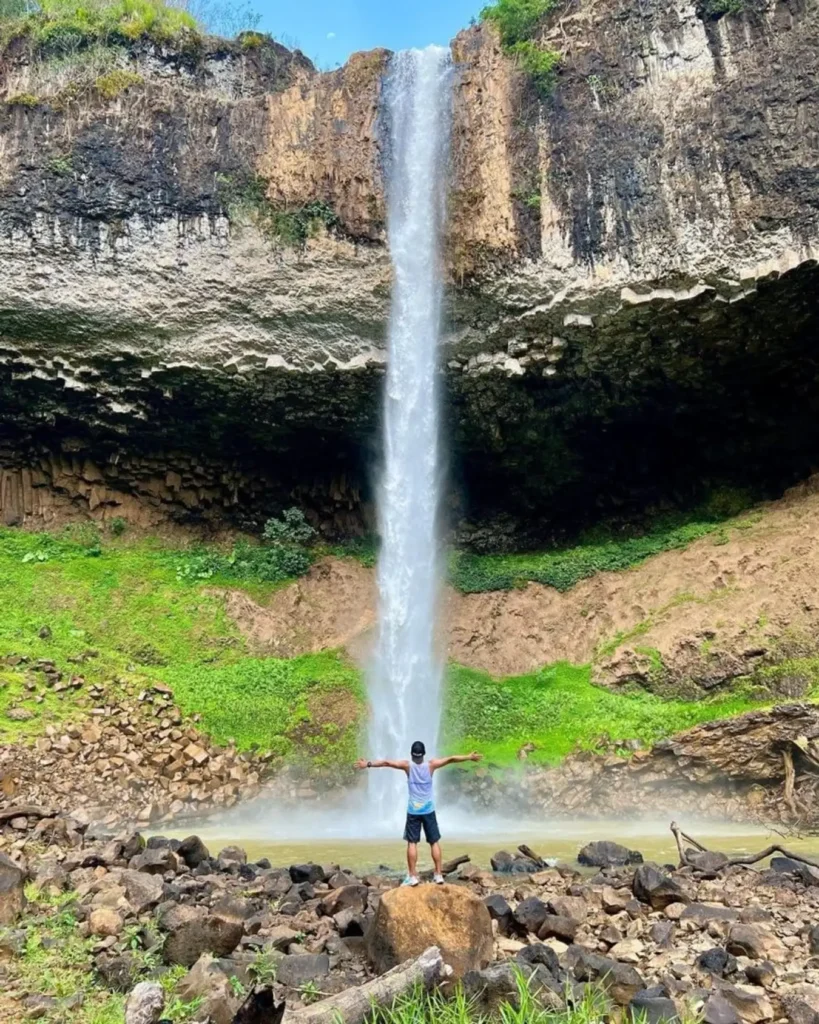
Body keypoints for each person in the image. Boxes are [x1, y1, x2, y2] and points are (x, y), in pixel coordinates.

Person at [355, 741, 482, 886]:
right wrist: (469, 757)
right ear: (424, 754)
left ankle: (412, 876)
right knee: (434, 842)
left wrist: (368, 764)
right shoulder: (431, 765)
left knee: (412, 843)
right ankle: (439, 875)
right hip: (428, 810)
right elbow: (451, 759)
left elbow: (386, 763)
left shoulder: (407, 766)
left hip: (413, 811)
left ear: (411, 754)